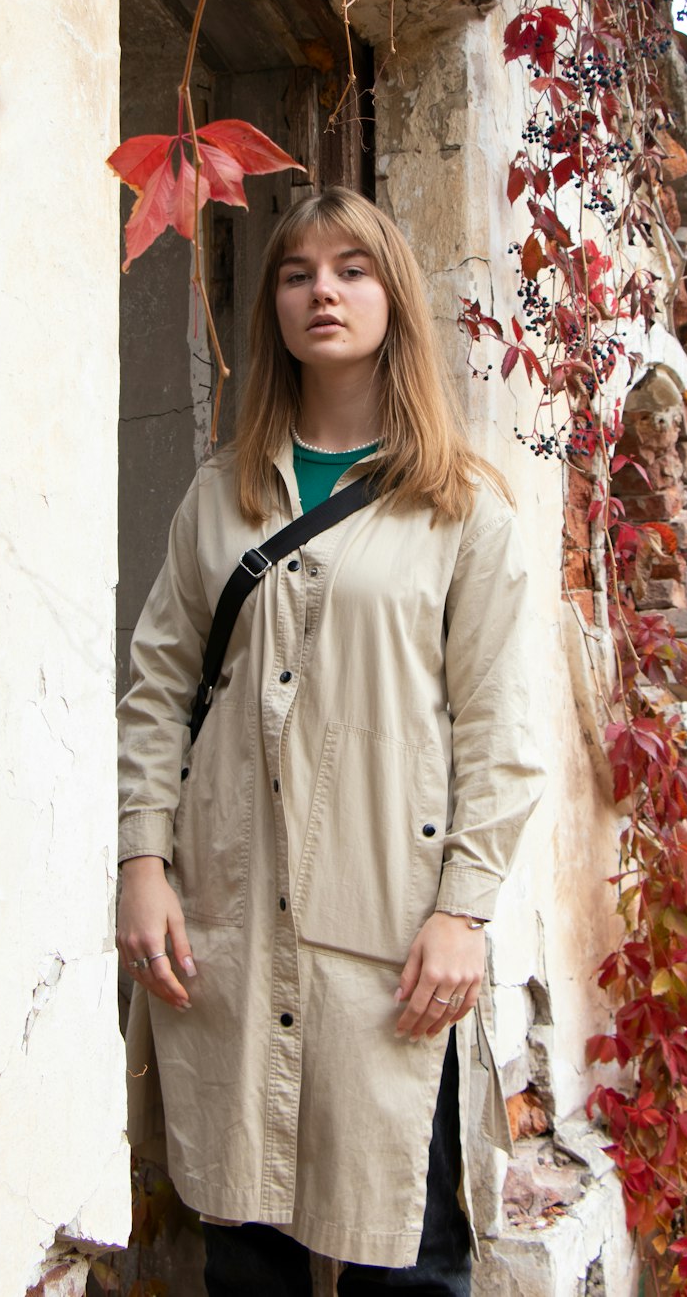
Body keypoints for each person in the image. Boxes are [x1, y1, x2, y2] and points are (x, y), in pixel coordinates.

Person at [116, 187, 545, 1295]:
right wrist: (142, 862)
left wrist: (463, 910)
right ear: (274, 307)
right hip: (230, 915)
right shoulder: (219, 497)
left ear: (392, 299)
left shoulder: (461, 514)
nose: (324, 292)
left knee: (400, 1237)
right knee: (241, 1234)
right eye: (298, 272)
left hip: (390, 933)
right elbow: (159, 687)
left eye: (352, 270)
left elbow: (500, 735)